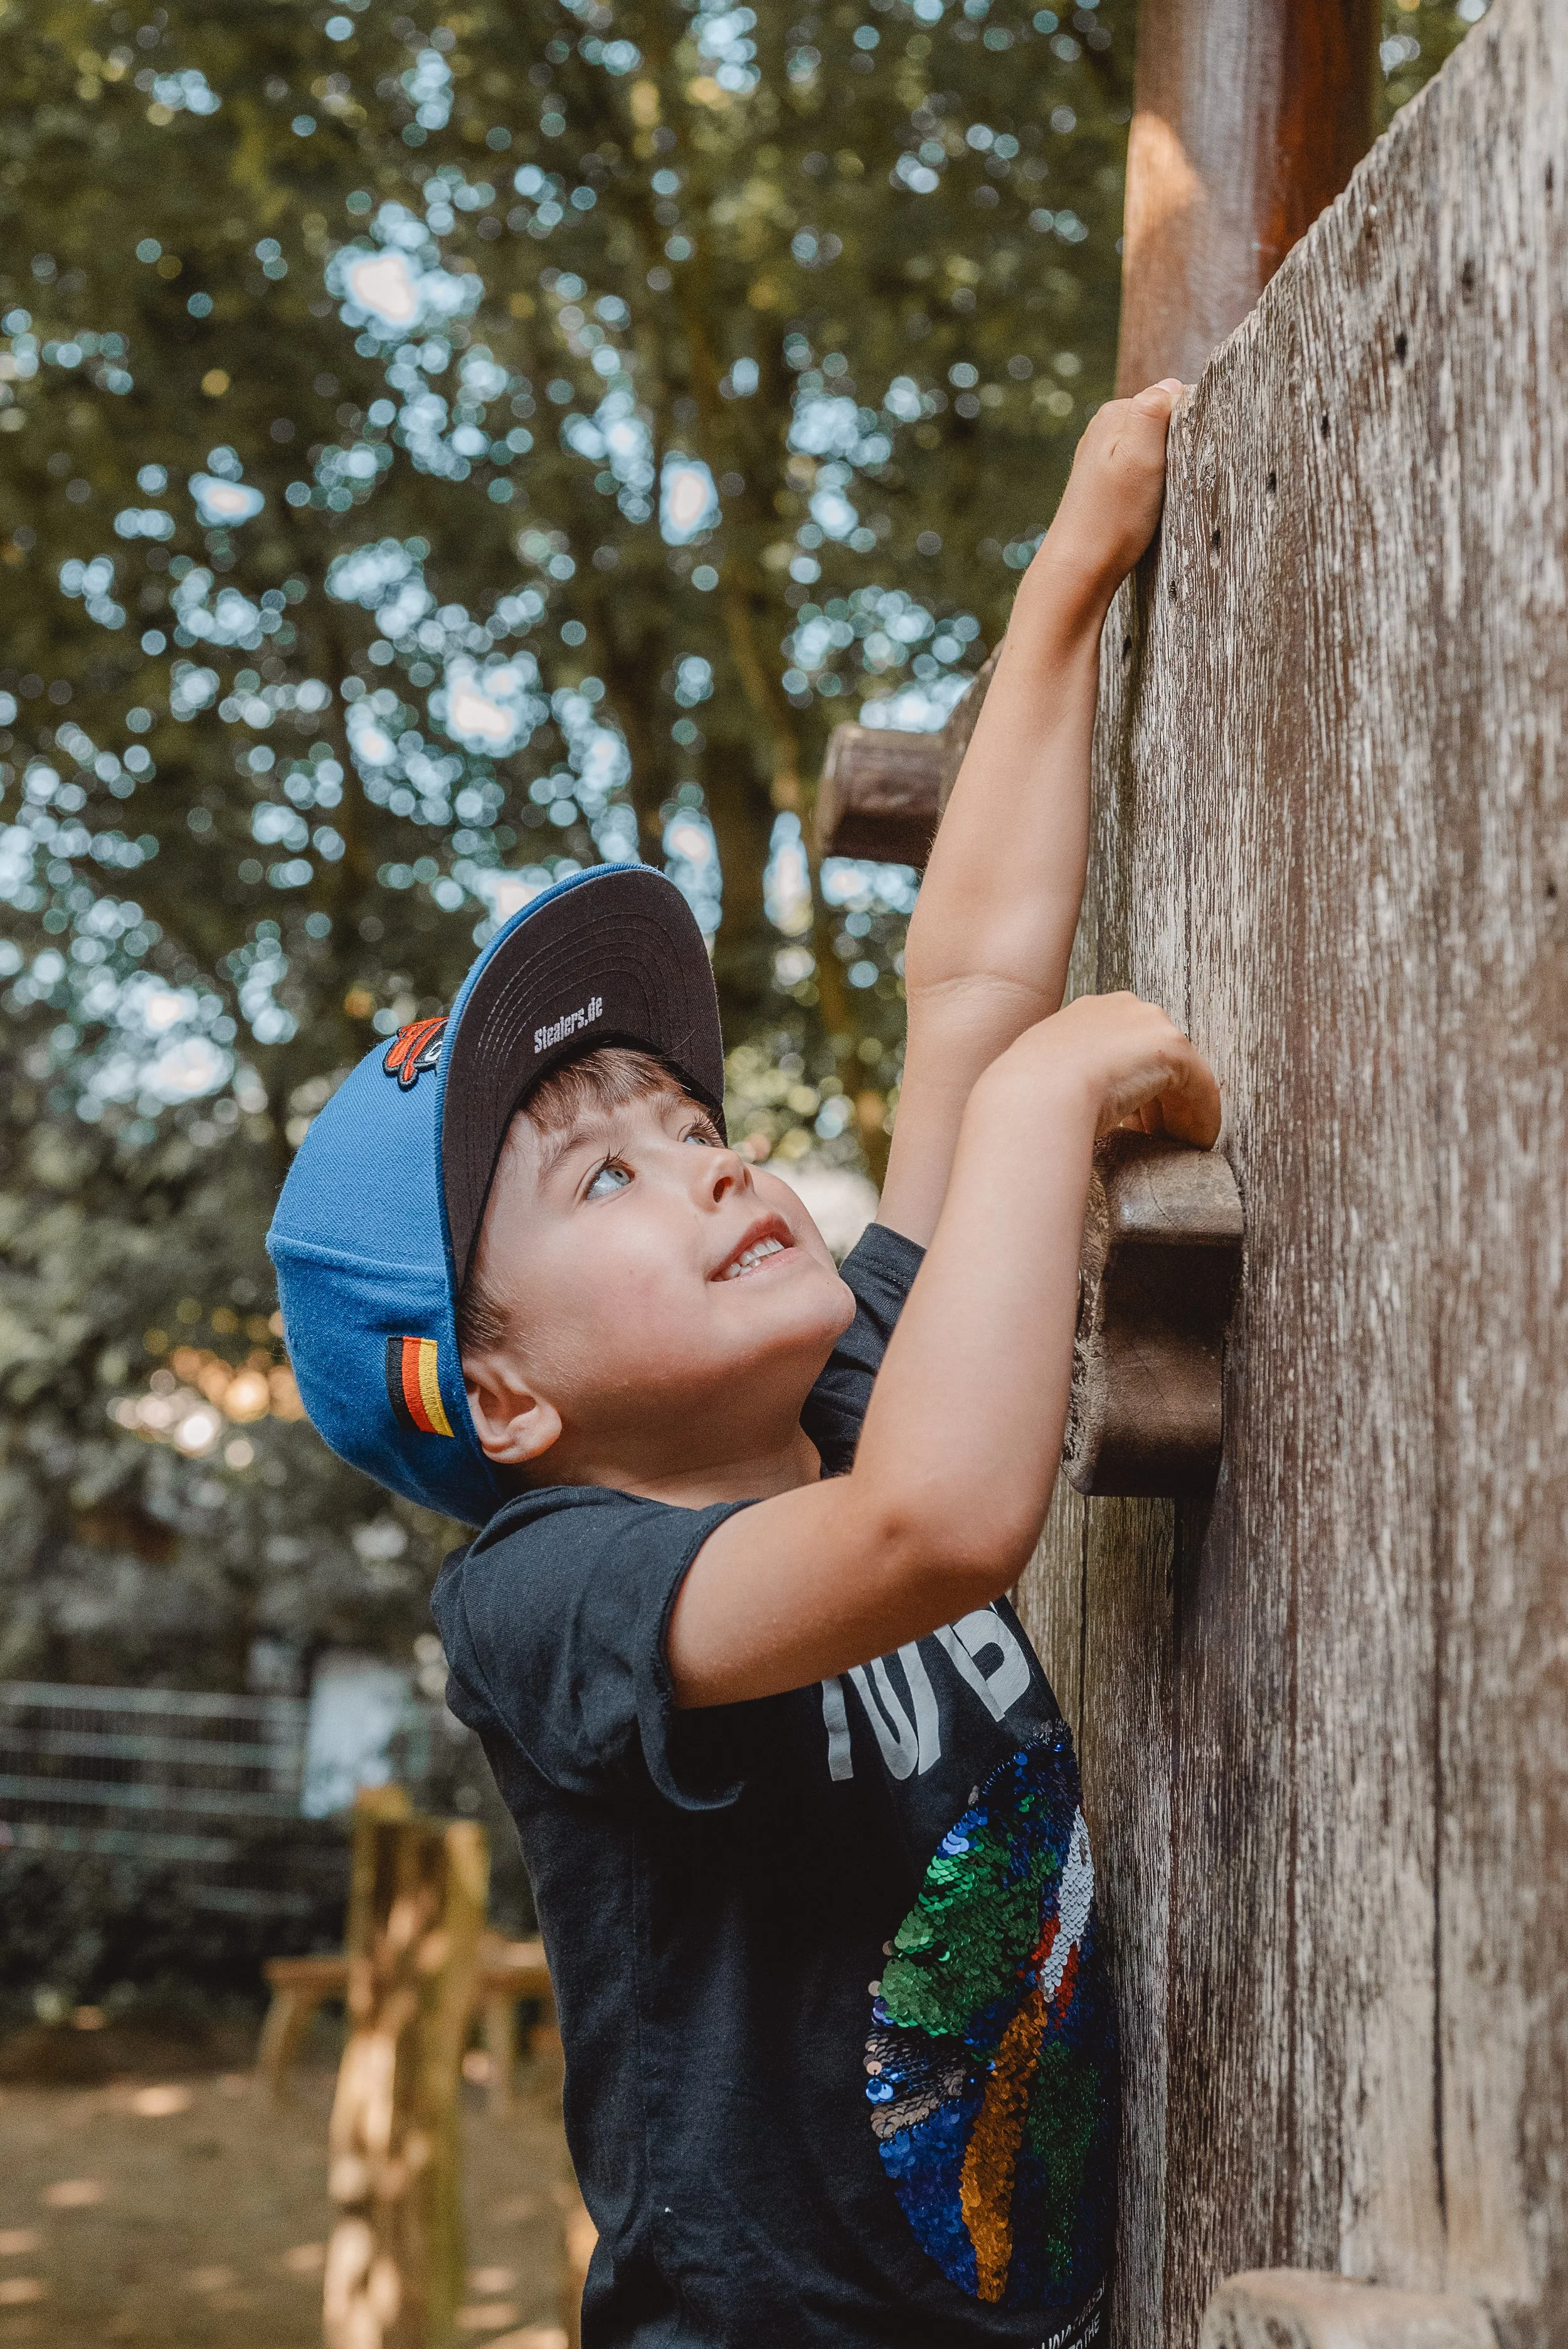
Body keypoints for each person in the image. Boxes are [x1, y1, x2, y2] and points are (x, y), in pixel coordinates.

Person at [268, 376, 1218, 2349]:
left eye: (693, 1125)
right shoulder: (545, 1606)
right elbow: (936, 1529)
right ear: (503, 1399)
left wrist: (1071, 570)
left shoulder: (839, 1401)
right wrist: (1040, 1111)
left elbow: (970, 986)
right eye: (606, 1174)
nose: (714, 1163)